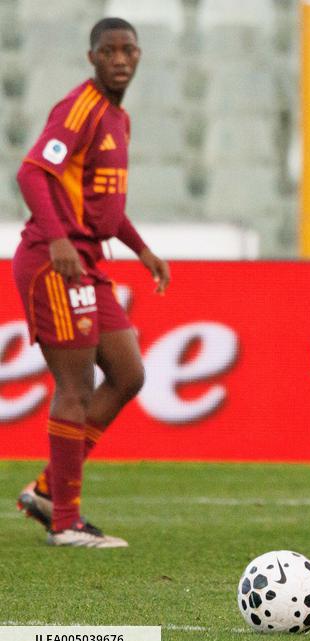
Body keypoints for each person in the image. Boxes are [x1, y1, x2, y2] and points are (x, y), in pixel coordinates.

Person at [13, 18, 170, 548]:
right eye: (110, 51)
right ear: (92, 57)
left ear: (139, 56)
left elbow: (104, 206)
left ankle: (45, 489)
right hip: (53, 260)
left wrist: (142, 249)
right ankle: (65, 520)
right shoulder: (78, 109)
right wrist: (57, 241)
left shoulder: (118, 120)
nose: (120, 59)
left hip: (88, 260)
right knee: (75, 388)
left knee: (128, 373)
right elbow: (32, 173)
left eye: (129, 50)